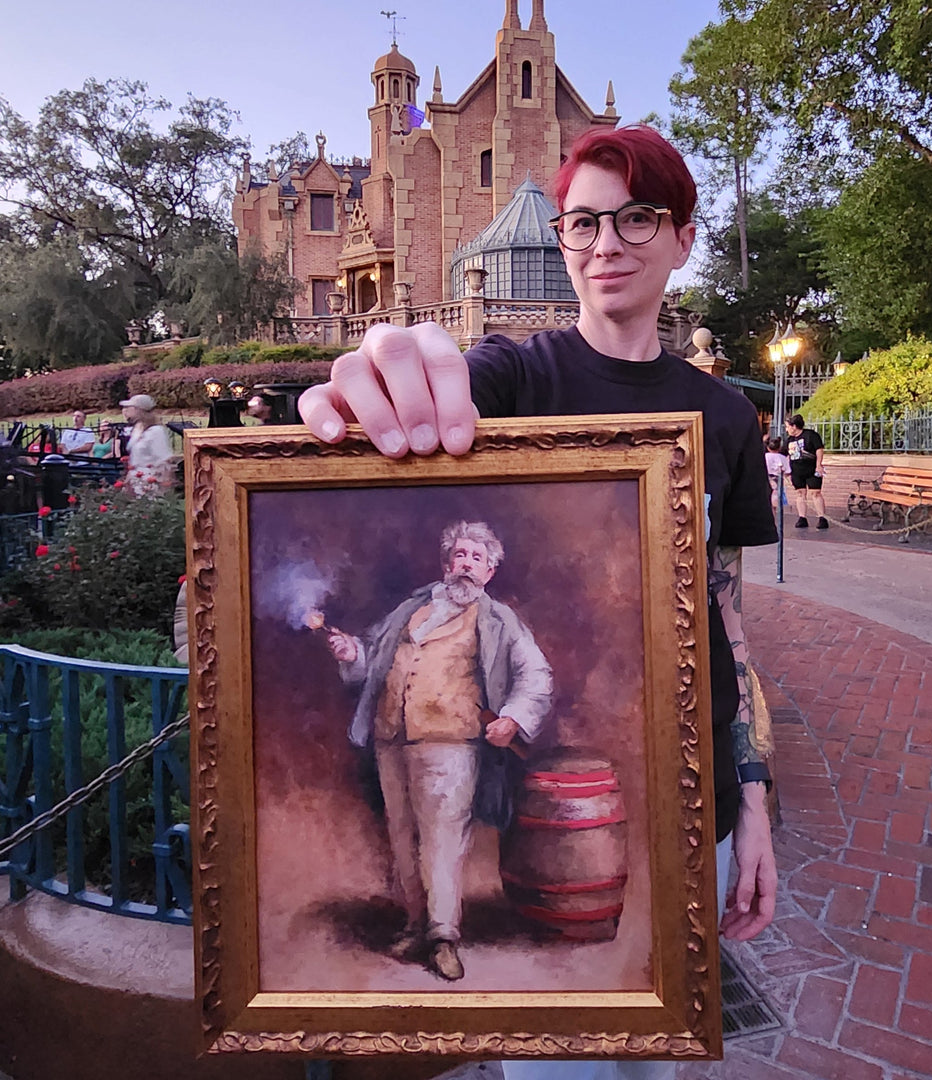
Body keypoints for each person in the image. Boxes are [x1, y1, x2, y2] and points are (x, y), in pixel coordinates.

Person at [299, 125, 778, 1078]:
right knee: (549, 1064)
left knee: (656, 1063)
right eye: (583, 222)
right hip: (559, 797)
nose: (606, 243)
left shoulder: (724, 415)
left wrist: (755, 795)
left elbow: (727, 620)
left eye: (637, 218)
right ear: (560, 240)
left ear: (682, 238)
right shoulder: (519, 378)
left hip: (697, 799)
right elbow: (434, 379)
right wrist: (381, 377)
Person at [324, 520, 552, 982]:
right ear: (447, 563)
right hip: (392, 739)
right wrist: (352, 655)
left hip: (451, 745)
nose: (466, 564)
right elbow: (374, 659)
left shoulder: (497, 620)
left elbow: (536, 675)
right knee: (403, 837)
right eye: (459, 555)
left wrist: (513, 717)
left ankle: (443, 937)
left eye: (476, 558)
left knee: (443, 841)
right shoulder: (411, 609)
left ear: (489, 571)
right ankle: (415, 926)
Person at [120, 394, 175, 496]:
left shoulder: (156, 431)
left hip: (150, 482)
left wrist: (164, 486)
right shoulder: (137, 429)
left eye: (129, 407)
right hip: (135, 480)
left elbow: (164, 460)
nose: (125, 410)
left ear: (139, 410)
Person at [783, 413, 827, 529]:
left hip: (811, 469)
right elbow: (784, 454)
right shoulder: (789, 440)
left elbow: (819, 449)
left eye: (787, 427)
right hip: (797, 471)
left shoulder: (810, 435)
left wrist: (818, 465)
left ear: (794, 426)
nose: (787, 430)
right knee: (800, 493)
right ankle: (802, 517)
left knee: (816, 493)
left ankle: (822, 517)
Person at [765, 436, 791, 515]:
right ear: (779, 448)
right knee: (775, 498)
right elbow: (787, 471)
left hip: (766, 478)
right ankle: (774, 517)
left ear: (768, 447)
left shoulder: (764, 456)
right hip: (778, 479)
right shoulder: (782, 457)